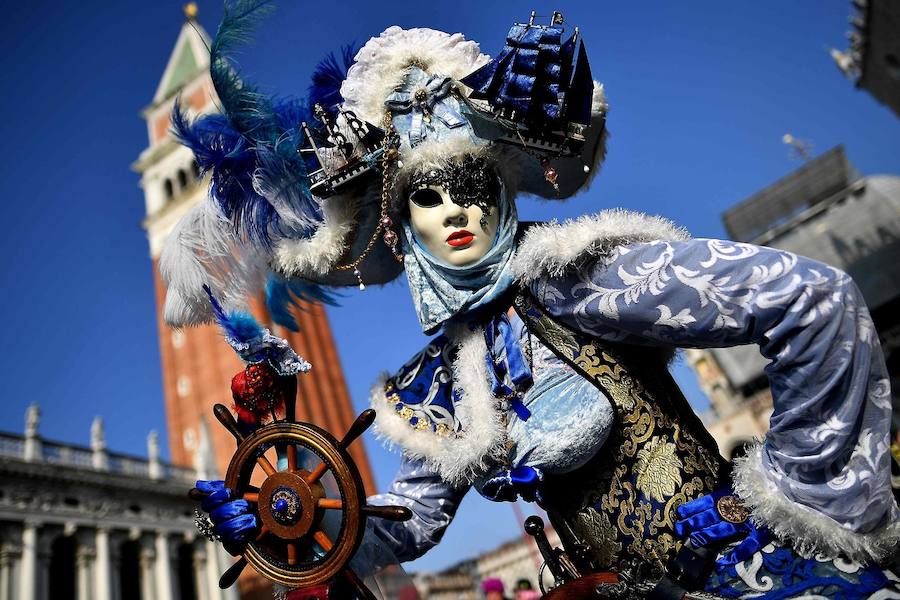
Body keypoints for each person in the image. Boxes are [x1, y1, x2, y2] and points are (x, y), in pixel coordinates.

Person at [166, 2, 900, 597]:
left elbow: (814, 301)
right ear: (401, 221)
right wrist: (284, 519)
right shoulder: (444, 381)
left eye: (473, 186)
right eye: (428, 194)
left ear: (501, 193)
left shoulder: (583, 276)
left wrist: (793, 509)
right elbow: (406, 521)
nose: (455, 211)